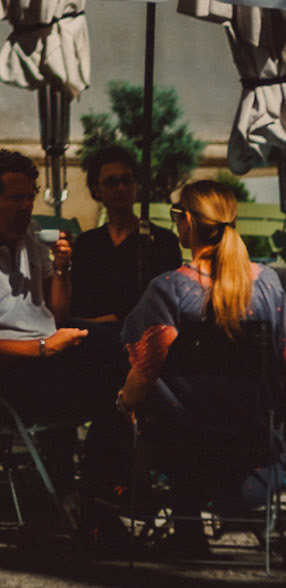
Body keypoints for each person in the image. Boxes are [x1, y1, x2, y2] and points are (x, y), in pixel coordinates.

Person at [0, 148, 129, 544]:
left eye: (30, 196)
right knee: (116, 388)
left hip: (44, 350)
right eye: (16, 198)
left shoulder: (28, 239)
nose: (27, 206)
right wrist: (45, 350)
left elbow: (55, 314)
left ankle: (100, 502)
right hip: (3, 372)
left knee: (126, 355)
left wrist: (62, 269)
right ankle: (97, 509)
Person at [120, 181, 286, 558]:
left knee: (142, 402)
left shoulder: (169, 289)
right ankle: (241, 502)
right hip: (253, 436)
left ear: (188, 222)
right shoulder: (269, 285)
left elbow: (145, 368)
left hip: (182, 442)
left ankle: (183, 525)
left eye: (177, 217)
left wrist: (121, 405)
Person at [70, 145, 182, 324]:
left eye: (126, 180)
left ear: (135, 185)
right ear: (96, 190)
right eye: (111, 182)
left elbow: (164, 302)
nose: (121, 188)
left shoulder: (161, 242)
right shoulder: (87, 244)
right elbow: (79, 299)